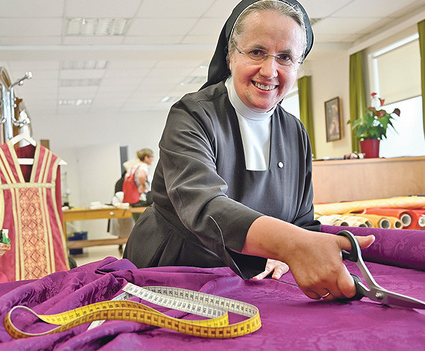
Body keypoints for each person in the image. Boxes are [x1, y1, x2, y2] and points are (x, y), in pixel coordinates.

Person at [124, 0, 374, 301]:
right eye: (257, 52)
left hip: (258, 282)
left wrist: (289, 253)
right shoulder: (191, 115)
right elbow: (203, 207)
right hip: (176, 271)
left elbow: (302, 221)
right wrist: (290, 245)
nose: (270, 70)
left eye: (285, 57)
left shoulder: (296, 133)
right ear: (231, 55)